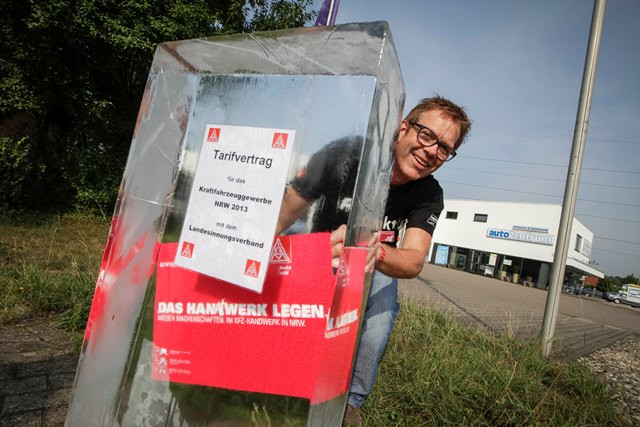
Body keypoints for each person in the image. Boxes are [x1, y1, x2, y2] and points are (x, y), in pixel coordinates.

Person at [277, 95, 471, 426]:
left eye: (444, 148)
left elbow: (412, 261)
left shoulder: (429, 193)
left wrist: (373, 250)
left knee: (384, 303)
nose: (432, 152)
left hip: (368, 265)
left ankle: (350, 403)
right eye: (427, 136)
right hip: (318, 246)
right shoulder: (347, 154)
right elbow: (283, 215)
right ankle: (269, 365)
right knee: (280, 253)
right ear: (403, 128)